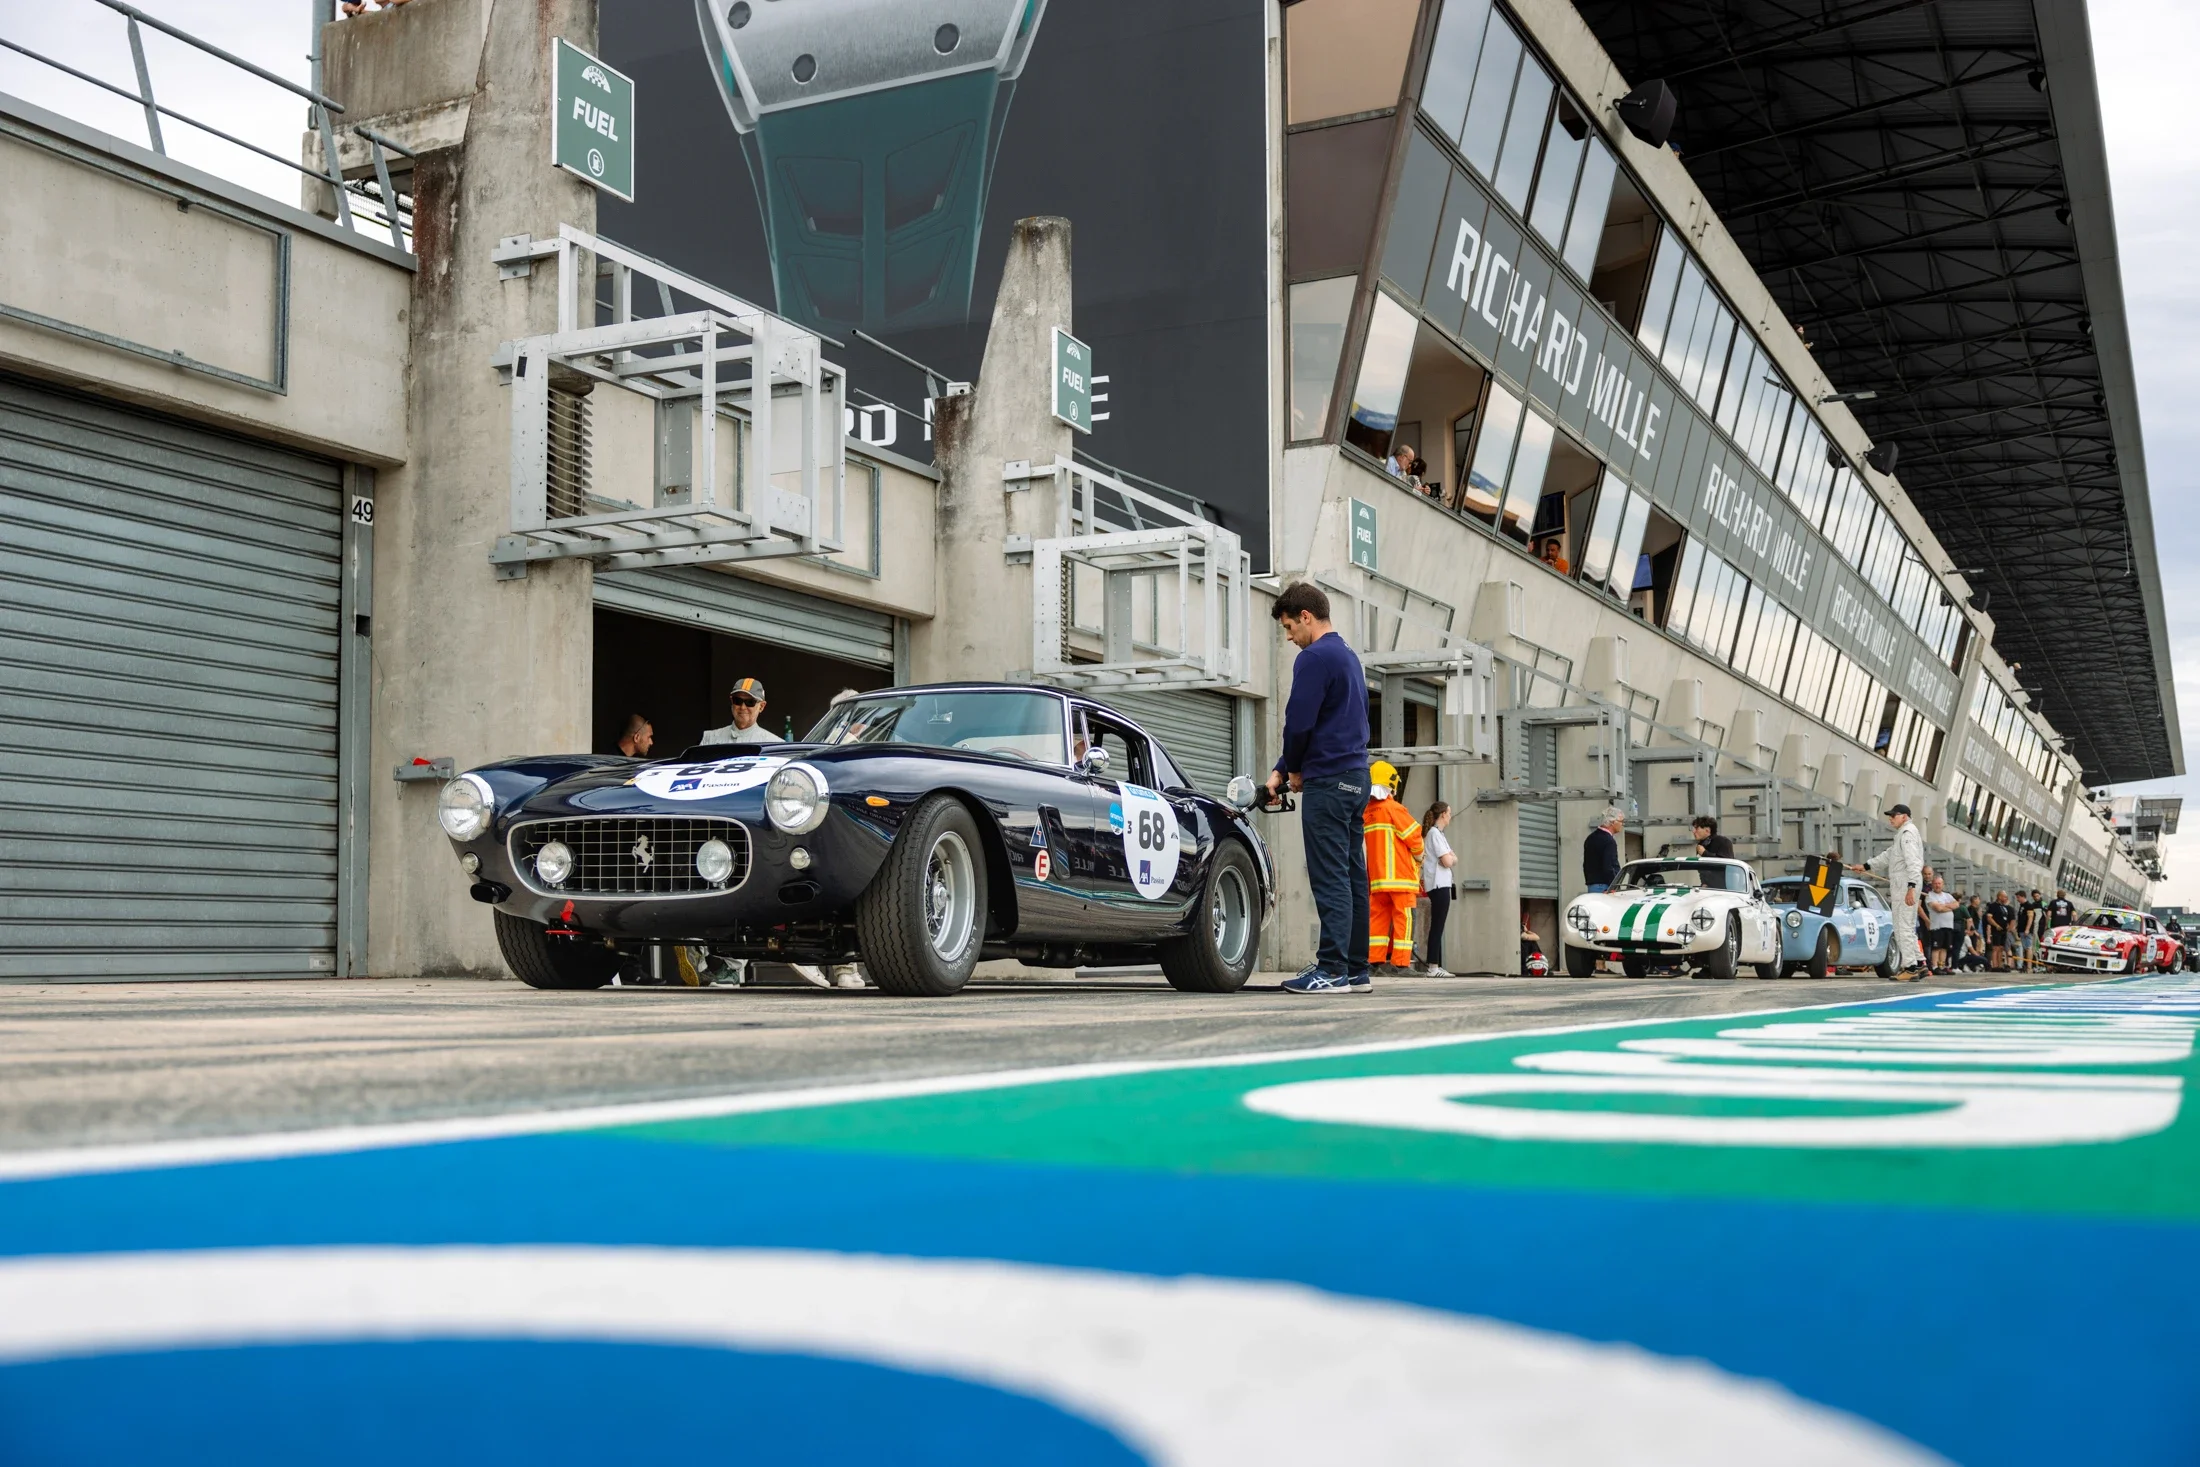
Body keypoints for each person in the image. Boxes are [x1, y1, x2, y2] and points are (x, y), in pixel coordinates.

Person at [1264, 582, 1373, 995]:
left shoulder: (1313, 658)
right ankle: (1356, 970)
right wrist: (1282, 770)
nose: (1290, 637)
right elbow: (1329, 724)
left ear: (1306, 617)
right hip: (1356, 776)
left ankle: (1331, 970)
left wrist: (1291, 770)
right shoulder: (1347, 656)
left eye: (1290, 627)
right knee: (1350, 875)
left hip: (1328, 782)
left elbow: (1300, 724)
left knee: (1330, 878)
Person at [1363, 761, 1425, 975]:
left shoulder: (1366, 813)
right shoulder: (1395, 809)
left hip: (1377, 880)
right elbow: (1414, 838)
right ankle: (1401, 964)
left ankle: (1374, 962)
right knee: (1404, 918)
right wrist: (1419, 857)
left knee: (1377, 919)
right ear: (1391, 785)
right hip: (1401, 878)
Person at [1849, 803, 1924, 979]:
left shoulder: (1907, 834)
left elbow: (1913, 862)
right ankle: (1919, 963)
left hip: (1905, 883)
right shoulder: (1903, 835)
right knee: (1907, 926)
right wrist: (1867, 866)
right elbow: (1889, 855)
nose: (1890, 818)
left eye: (1894, 815)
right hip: (1905, 883)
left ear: (1904, 816)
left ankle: (1910, 967)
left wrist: (1911, 887)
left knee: (1901, 927)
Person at [1419, 800, 1458, 977]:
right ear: (1443, 814)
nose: (1450, 816)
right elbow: (1449, 860)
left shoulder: (1438, 834)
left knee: (1438, 924)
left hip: (1441, 883)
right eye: (1449, 813)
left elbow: (1452, 857)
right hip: (1438, 884)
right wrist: (1451, 858)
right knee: (1437, 925)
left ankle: (1435, 965)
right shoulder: (1435, 834)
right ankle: (1433, 967)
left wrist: (1451, 857)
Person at [702, 677, 777, 745]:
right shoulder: (710, 739)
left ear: (761, 706)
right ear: (732, 702)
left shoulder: (774, 744)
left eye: (750, 702)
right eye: (737, 701)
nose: (743, 707)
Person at [1584, 806, 1623, 892]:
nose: (1622, 824)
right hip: (1605, 886)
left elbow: (1586, 864)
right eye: (1620, 821)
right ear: (1612, 822)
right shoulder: (1609, 841)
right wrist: (1613, 886)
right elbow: (1609, 866)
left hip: (1592, 885)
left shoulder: (1590, 838)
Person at [1924, 877, 1958, 974]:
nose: (1937, 885)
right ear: (1932, 885)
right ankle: (1934, 966)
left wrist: (1944, 906)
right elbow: (1938, 908)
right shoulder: (1930, 896)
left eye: (1939, 883)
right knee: (1936, 947)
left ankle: (1941, 966)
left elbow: (1956, 905)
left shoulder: (1947, 895)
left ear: (1942, 884)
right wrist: (1948, 907)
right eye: (1935, 883)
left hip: (1948, 925)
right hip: (1937, 926)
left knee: (1944, 947)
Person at [1986, 889, 2015, 971]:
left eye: (2006, 897)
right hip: (1996, 930)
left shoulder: (2005, 907)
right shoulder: (1993, 906)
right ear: (1999, 897)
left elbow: (2011, 919)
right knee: (1996, 948)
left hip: (2004, 930)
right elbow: (1989, 917)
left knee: (2001, 948)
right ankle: (1995, 965)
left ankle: (2000, 965)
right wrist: (1996, 925)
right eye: (2004, 897)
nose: (2006, 898)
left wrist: (2009, 928)